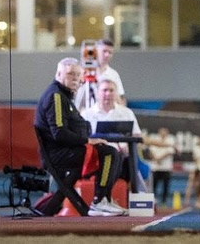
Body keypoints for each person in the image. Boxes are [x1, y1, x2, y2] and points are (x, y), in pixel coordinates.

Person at [34, 57, 126, 216]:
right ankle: (100, 201)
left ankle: (104, 199)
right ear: (58, 74)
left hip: (68, 150)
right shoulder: (56, 96)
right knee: (109, 153)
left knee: (114, 153)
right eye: (70, 74)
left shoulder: (65, 96)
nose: (75, 78)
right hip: (59, 155)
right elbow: (59, 133)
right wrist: (88, 140)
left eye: (78, 74)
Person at [80, 78, 145, 189]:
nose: (108, 93)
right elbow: (82, 138)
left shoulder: (127, 113)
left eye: (111, 90)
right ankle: (102, 194)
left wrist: (128, 148)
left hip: (123, 158)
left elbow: (137, 136)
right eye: (105, 90)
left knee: (131, 163)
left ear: (116, 93)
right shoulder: (87, 114)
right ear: (98, 93)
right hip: (96, 159)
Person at [147, 127, 177, 207]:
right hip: (155, 167)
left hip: (166, 167)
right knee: (154, 185)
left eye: (164, 132)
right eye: (161, 132)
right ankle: (153, 201)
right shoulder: (154, 139)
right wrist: (155, 159)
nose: (163, 133)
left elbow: (170, 151)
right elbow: (150, 151)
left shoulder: (171, 140)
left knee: (165, 186)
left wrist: (159, 158)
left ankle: (164, 201)